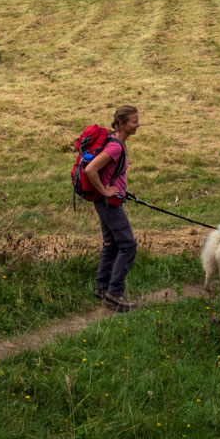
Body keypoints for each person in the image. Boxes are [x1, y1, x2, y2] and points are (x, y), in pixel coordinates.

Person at [86, 105, 140, 313]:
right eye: (133, 121)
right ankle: (114, 294)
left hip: (106, 201)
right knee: (128, 245)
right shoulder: (116, 146)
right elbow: (91, 169)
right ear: (121, 123)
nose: (138, 125)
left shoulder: (114, 141)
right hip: (109, 203)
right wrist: (105, 190)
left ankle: (102, 288)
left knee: (111, 244)